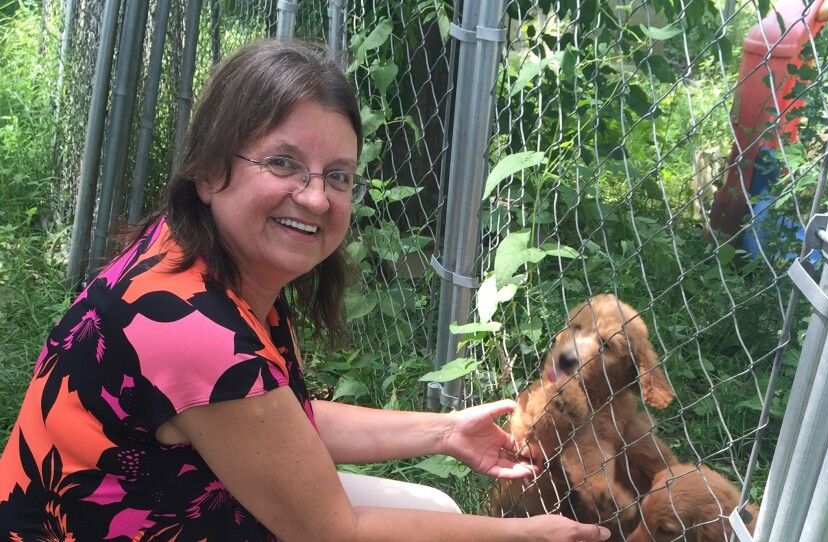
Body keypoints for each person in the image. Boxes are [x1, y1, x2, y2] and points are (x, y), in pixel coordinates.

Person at [0, 38, 610, 542]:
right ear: (212, 171)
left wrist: (443, 431)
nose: (316, 197)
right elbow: (330, 532)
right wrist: (528, 534)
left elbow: (277, 418)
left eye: (337, 176)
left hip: (140, 508)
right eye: (283, 163)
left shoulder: (194, 253)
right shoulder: (191, 329)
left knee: (435, 510)